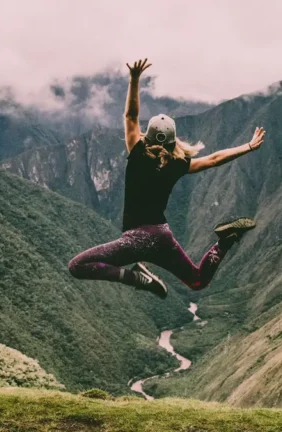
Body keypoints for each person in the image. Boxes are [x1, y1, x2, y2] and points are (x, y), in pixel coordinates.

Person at [68, 58, 266, 298]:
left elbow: (131, 116)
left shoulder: (138, 152)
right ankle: (224, 241)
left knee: (77, 266)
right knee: (197, 280)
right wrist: (248, 146)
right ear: (173, 141)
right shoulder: (178, 164)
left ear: (147, 136)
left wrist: (134, 79)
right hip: (162, 236)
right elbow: (214, 159)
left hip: (136, 240)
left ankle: (137, 278)